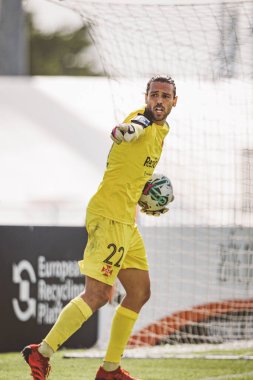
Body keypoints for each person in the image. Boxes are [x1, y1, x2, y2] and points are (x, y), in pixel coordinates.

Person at [22, 75, 178, 380]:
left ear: (174, 101)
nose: (159, 101)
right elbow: (134, 129)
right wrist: (125, 131)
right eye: (154, 95)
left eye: (165, 96)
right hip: (108, 216)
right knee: (98, 294)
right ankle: (40, 354)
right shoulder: (141, 119)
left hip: (126, 221)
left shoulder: (164, 129)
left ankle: (109, 370)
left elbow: (134, 166)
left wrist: (146, 195)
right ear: (146, 96)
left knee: (139, 292)